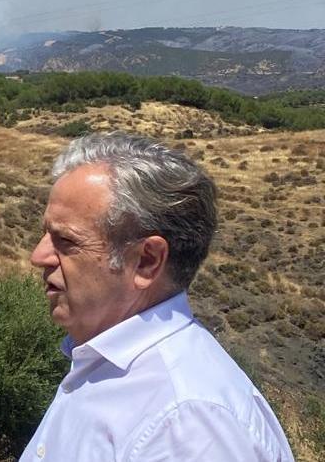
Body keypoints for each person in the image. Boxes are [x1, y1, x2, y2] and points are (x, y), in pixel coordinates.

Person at [22, 132, 293, 461]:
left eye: (66, 240)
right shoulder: (107, 363)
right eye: (46, 234)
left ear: (147, 261)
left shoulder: (187, 424)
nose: (39, 255)